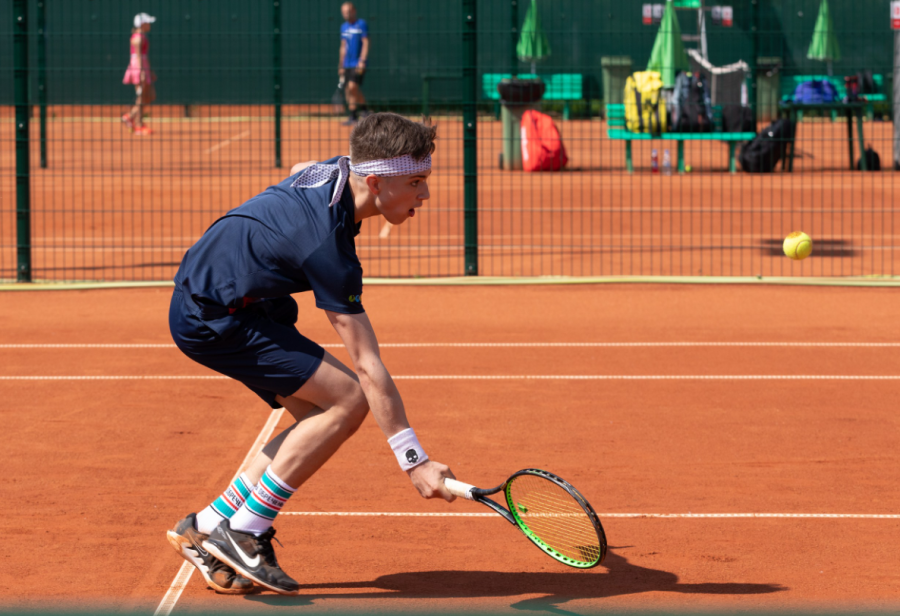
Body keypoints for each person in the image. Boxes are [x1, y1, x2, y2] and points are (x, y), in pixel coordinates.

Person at [165, 113, 455, 596]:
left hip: (239, 300)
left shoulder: (336, 172)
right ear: (377, 182)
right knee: (348, 400)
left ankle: (207, 524)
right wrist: (415, 461)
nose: (425, 194)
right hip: (214, 315)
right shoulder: (327, 249)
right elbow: (367, 364)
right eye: (417, 182)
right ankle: (245, 530)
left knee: (317, 416)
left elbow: (304, 166)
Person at [121, 12, 157, 136]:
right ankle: (139, 124)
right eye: (148, 22)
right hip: (139, 67)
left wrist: (150, 71)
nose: (150, 25)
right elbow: (138, 57)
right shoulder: (138, 38)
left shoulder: (142, 36)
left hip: (143, 65)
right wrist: (142, 71)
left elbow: (144, 56)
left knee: (150, 95)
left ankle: (129, 117)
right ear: (142, 24)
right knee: (141, 97)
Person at [339, 2, 369, 126]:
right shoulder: (343, 27)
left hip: (357, 63)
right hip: (346, 64)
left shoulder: (361, 24)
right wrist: (340, 65)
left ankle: (354, 115)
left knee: (352, 87)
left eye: (348, 11)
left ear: (354, 11)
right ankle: (364, 111)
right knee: (351, 89)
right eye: (344, 12)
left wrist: (362, 60)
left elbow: (366, 43)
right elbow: (343, 47)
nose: (346, 14)